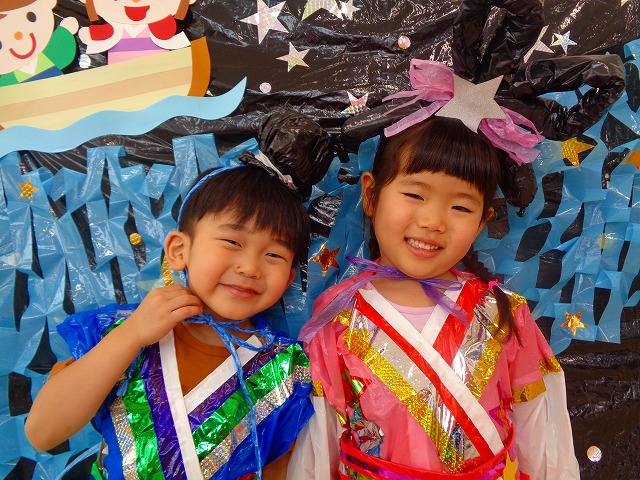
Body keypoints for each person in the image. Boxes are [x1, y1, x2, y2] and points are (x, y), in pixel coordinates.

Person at [288, 115, 581, 479]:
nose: (433, 222)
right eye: (414, 194)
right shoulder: (335, 316)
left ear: (482, 220)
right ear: (371, 194)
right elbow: (319, 447)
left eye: (461, 207)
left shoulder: (505, 314)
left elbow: (544, 443)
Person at [25, 164, 315, 480]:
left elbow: (279, 468)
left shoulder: (291, 369)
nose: (250, 268)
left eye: (273, 255)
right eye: (232, 242)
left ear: (288, 279)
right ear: (179, 250)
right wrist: (131, 335)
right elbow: (43, 433)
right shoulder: (120, 330)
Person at [0, 0, 78, 87]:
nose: (19, 36)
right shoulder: (10, 78)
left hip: (60, 89)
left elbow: (63, 52)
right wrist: (65, 31)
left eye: (31, 17)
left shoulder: (48, 56)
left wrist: (64, 32)